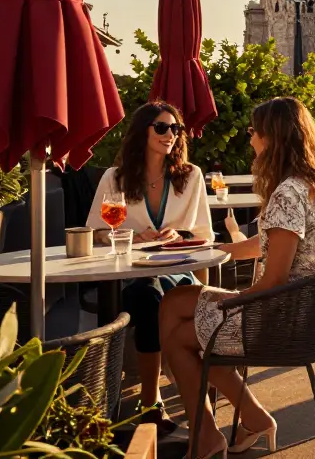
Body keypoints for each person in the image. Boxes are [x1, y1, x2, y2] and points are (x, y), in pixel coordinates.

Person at [157, 97, 315, 458]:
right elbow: (275, 242)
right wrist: (221, 249)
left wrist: (230, 301)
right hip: (302, 314)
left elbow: (273, 281)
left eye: (254, 131)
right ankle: (244, 418)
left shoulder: (287, 193)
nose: (251, 138)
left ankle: (207, 432)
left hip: (279, 320)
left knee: (179, 334)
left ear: (273, 138)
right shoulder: (310, 186)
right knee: (175, 303)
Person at [84, 101, 212, 435]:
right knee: (146, 294)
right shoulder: (115, 179)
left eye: (175, 129)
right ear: (143, 132)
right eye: (161, 127)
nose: (170, 135)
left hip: (177, 272)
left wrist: (179, 235)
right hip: (129, 275)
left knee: (154, 295)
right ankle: (154, 401)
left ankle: (153, 403)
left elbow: (204, 235)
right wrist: (128, 236)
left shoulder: (191, 176)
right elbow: (95, 231)